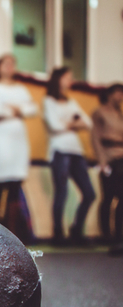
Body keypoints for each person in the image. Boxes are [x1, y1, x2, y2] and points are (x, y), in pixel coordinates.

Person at [0, 54, 38, 244]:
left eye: (12, 64)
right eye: (5, 63)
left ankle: (12, 234)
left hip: (18, 141)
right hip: (1, 140)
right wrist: (20, 108)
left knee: (15, 185)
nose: (9, 67)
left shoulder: (21, 88)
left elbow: (33, 109)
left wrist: (14, 108)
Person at [43, 67, 95, 244]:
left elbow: (87, 123)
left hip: (76, 152)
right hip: (60, 151)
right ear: (58, 79)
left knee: (89, 193)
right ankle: (58, 233)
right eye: (68, 77)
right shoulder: (49, 101)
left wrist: (67, 123)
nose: (70, 81)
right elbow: (54, 126)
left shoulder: (71, 102)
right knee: (62, 192)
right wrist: (73, 122)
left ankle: (76, 230)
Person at [91, 83, 123, 253]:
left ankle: (119, 236)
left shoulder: (120, 115)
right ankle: (107, 234)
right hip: (109, 158)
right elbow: (95, 137)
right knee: (108, 197)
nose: (120, 97)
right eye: (117, 93)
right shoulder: (100, 112)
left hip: (121, 157)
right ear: (109, 94)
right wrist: (102, 161)